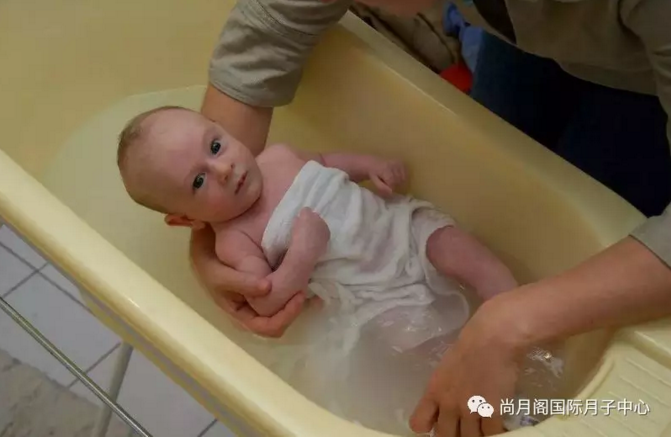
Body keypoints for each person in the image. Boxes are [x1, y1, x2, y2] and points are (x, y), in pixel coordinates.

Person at [189, 0, 671, 436]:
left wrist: (512, 321)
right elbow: (268, 27)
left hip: (639, 68)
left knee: (586, 206)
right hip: (378, 290)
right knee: (503, 177)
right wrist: (217, 230)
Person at [116, 105, 518, 354]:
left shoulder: (278, 156)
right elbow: (266, 302)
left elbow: (327, 160)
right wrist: (302, 255)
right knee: (428, 349)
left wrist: (370, 166)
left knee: (467, 255)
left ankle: (519, 320)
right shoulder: (235, 242)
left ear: (225, 129)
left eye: (216, 146)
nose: (223, 169)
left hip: (402, 229)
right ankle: (492, 399)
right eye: (198, 181)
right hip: (374, 296)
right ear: (186, 220)